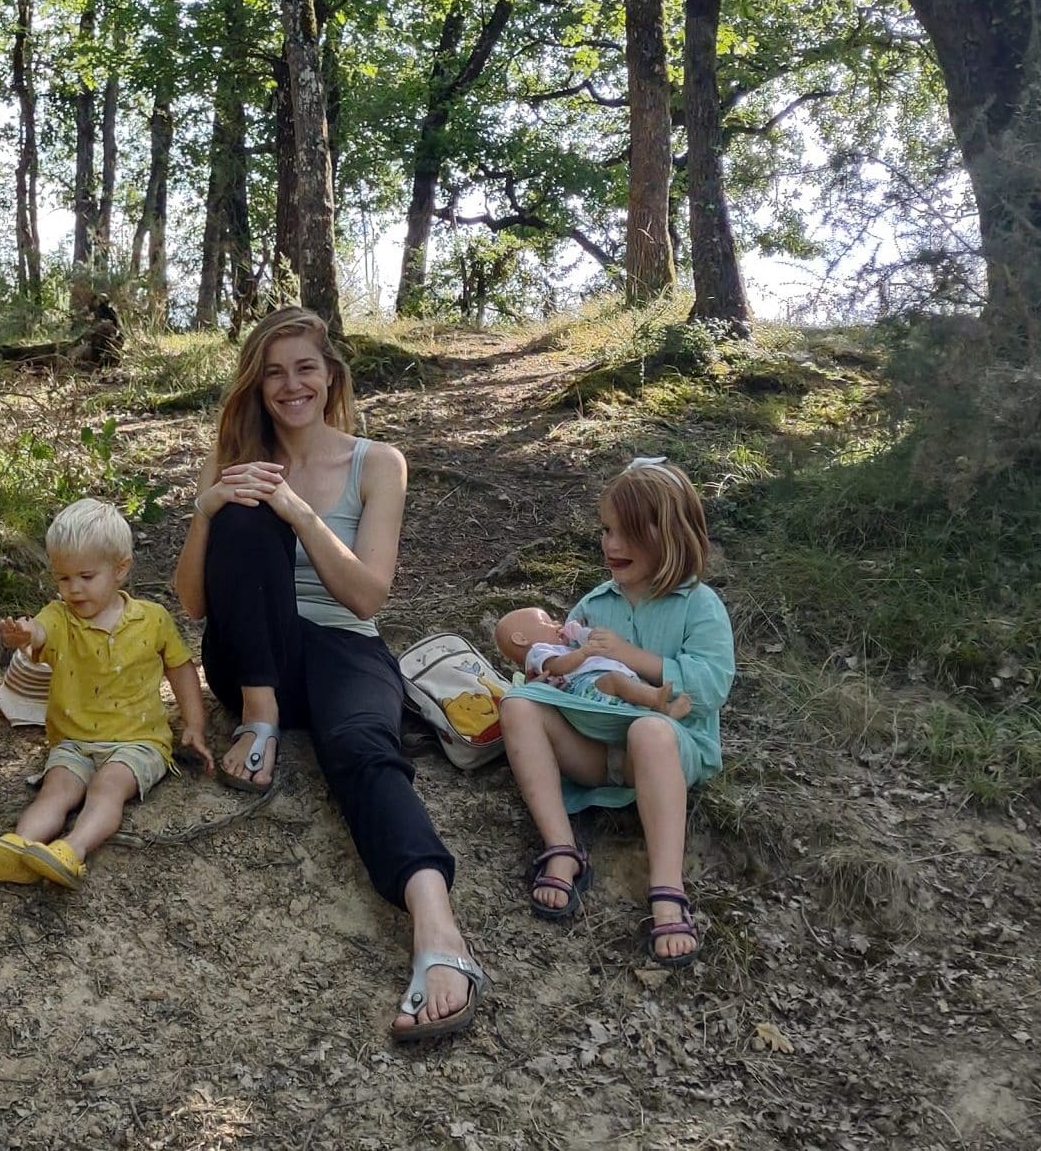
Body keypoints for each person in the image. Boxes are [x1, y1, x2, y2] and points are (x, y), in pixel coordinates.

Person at [172, 306, 487, 1042]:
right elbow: (191, 602)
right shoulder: (232, 457)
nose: (290, 385)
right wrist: (210, 508)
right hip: (257, 656)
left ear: (331, 374)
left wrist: (300, 514)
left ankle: (438, 932)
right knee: (245, 517)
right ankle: (261, 718)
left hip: (347, 647)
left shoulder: (377, 463)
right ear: (256, 384)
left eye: (305, 368)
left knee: (363, 749)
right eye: (273, 372)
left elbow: (369, 595)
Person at [496, 458, 735, 967]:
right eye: (606, 530)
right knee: (518, 704)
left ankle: (667, 890)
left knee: (650, 729)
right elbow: (569, 670)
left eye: (627, 533)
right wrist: (553, 674)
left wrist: (634, 657)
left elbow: (711, 688)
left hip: (665, 753)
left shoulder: (700, 604)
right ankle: (562, 848)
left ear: (671, 536)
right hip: (594, 750)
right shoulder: (593, 604)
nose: (611, 545)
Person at [0, 499, 211, 888]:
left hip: (138, 741)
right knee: (57, 789)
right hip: (74, 740)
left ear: (120, 569)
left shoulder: (152, 619)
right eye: (63, 578)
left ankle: (73, 849)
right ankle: (19, 846)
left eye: (86, 576)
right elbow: (39, 631)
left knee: (108, 786)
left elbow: (181, 668)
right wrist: (23, 634)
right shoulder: (59, 616)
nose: (74, 589)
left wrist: (195, 723)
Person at [495, 606, 692, 718]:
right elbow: (558, 667)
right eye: (547, 622)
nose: (556, 624)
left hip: (598, 685)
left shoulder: (559, 648)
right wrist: (584, 652)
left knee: (631, 685)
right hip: (586, 688)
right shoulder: (538, 652)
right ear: (520, 639)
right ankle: (657, 699)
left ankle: (663, 710)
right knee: (616, 680)